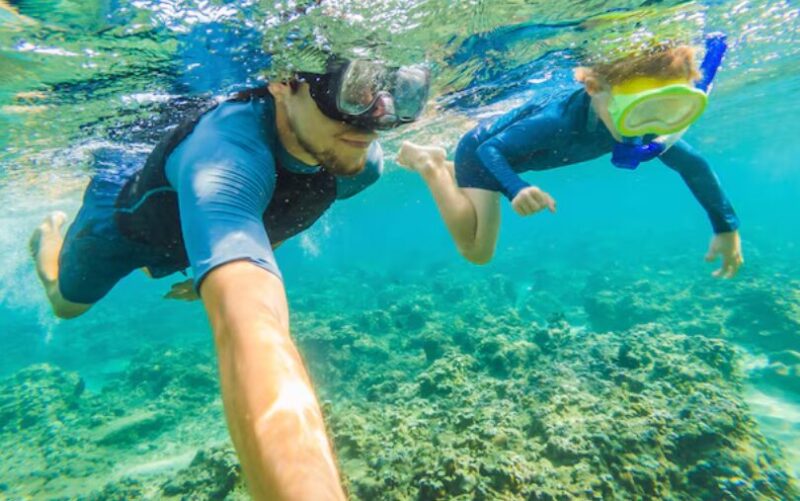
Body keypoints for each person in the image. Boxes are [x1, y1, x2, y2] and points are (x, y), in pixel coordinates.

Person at [29, 58, 430, 500]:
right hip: (128, 227)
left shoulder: (358, 165)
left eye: (401, 92)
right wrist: (224, 279)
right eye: (355, 91)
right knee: (66, 306)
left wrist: (221, 264)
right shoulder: (224, 154)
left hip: (199, 227)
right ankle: (48, 243)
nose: (378, 116)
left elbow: (281, 218)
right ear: (283, 82)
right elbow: (252, 331)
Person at [399, 35, 743, 278]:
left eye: (665, 111)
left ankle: (444, 168)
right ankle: (430, 164)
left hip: (512, 157)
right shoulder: (559, 120)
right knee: (478, 252)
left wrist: (726, 227)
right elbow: (492, 149)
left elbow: (693, 164)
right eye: (637, 111)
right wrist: (515, 188)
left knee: (485, 214)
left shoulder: (632, 124)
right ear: (594, 88)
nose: (648, 128)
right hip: (481, 154)